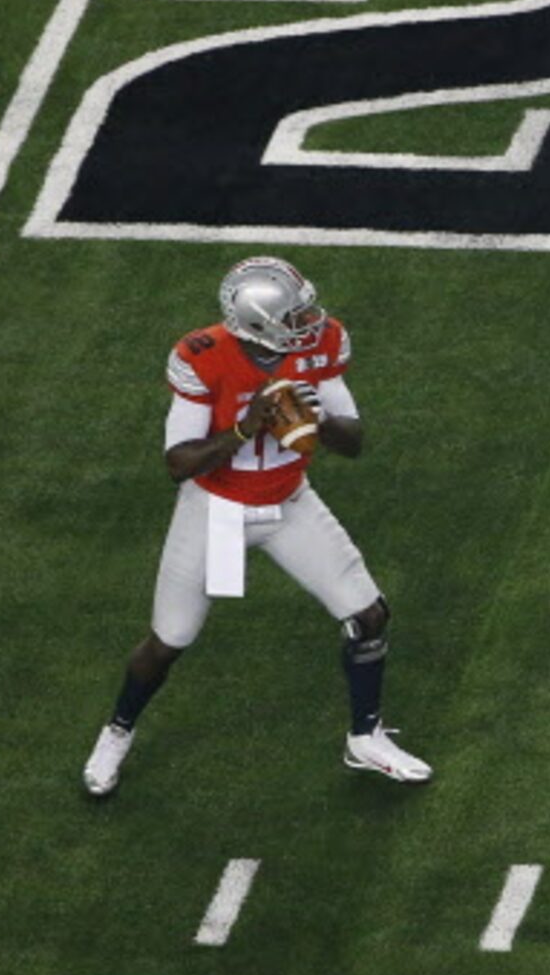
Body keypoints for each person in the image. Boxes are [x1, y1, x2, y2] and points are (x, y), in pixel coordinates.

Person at [82, 256, 426, 797]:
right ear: (260, 322)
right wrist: (246, 428)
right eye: (295, 314)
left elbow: (353, 441)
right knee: (172, 638)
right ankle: (117, 730)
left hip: (290, 503)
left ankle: (365, 738)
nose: (310, 320)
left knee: (368, 614)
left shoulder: (322, 342)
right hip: (219, 513)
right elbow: (179, 464)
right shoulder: (204, 356)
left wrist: (318, 419)